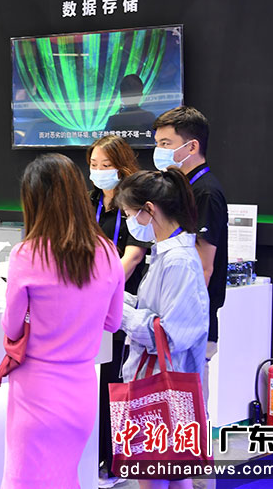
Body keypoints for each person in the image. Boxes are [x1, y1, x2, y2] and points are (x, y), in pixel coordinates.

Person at [2, 154, 124, 489]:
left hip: (36, 391)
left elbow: (11, 327)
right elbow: (113, 322)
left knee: (24, 480)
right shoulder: (108, 251)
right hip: (81, 391)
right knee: (66, 478)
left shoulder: (27, 254)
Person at [114, 169, 209, 489]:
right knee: (174, 475)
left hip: (160, 384)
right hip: (159, 381)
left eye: (130, 214)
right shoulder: (168, 253)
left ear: (149, 210)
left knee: (155, 475)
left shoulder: (177, 260)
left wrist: (117, 312)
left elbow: (167, 334)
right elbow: (151, 309)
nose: (130, 221)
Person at [87, 135, 152, 487]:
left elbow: (133, 256)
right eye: (93, 165)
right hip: (89, 302)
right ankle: (95, 454)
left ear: (122, 166)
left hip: (122, 303)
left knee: (116, 382)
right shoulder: (90, 200)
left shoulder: (136, 204)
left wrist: (105, 289)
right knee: (95, 383)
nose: (98, 171)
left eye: (106, 165)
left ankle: (115, 461)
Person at [152, 106, 227, 408]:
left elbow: (203, 267)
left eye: (166, 144)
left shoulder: (206, 192)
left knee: (187, 410)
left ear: (192, 146)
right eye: (157, 143)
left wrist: (177, 318)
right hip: (173, 322)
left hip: (190, 324)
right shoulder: (182, 188)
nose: (159, 151)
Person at [105, 74, 157, 138]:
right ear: (141, 95)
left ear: (121, 96)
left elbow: (104, 142)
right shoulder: (150, 118)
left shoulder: (113, 121)